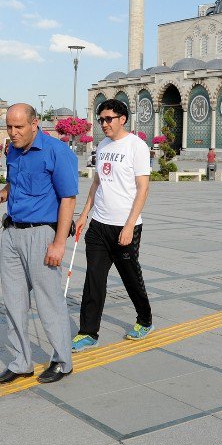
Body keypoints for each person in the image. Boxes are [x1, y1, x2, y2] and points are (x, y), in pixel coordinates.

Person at [0, 103, 77, 385]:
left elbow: (68, 199)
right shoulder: (12, 149)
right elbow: (15, 183)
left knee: (48, 300)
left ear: (35, 124)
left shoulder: (57, 152)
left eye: (19, 127)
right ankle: (21, 361)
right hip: (12, 233)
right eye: (9, 127)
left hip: (42, 234)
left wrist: (59, 243)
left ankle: (62, 360)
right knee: (13, 300)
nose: (13, 133)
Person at [72, 99, 153, 352]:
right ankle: (88, 332)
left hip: (125, 226)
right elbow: (97, 183)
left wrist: (129, 226)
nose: (104, 124)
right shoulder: (103, 145)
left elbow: (143, 189)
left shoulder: (137, 146)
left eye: (109, 119)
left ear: (122, 119)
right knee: (94, 278)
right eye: (101, 120)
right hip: (99, 225)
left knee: (131, 276)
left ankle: (145, 319)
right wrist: (85, 214)